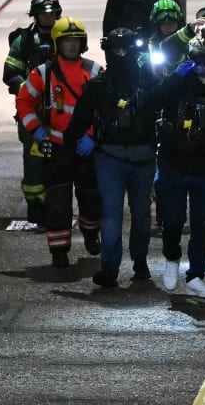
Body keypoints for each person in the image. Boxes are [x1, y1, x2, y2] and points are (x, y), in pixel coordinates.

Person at [64, 28, 159, 288]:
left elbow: (167, 105)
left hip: (142, 156)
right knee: (112, 214)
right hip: (110, 157)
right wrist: (66, 148)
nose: (121, 54)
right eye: (116, 50)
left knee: (140, 214)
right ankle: (110, 269)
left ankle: (140, 263)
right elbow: (80, 119)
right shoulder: (100, 85)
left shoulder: (148, 81)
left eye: (125, 49)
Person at [147, 46, 205, 297]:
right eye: (198, 74)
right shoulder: (174, 90)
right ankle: (171, 260)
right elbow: (151, 101)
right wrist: (175, 77)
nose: (203, 80)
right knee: (173, 219)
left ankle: (196, 276)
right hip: (173, 167)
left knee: (202, 226)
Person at [15, 16, 103, 267]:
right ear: (57, 44)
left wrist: (92, 138)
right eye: (67, 41)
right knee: (57, 203)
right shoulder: (42, 73)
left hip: (84, 147)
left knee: (91, 200)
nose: (72, 46)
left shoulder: (95, 71)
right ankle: (59, 252)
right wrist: (37, 131)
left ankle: (90, 232)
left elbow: (104, 109)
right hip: (56, 146)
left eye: (76, 41)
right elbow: (24, 102)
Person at [3, 0, 61, 225]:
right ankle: (36, 206)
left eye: (52, 13)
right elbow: (10, 74)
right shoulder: (24, 41)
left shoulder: (66, 37)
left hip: (60, 111)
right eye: (43, 14)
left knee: (58, 160)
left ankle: (57, 204)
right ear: (35, 16)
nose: (48, 18)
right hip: (32, 113)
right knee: (34, 161)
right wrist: (29, 90)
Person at [147, 0, 187, 78]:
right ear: (157, 25)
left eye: (172, 23)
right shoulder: (151, 44)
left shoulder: (190, 41)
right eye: (164, 24)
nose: (168, 27)